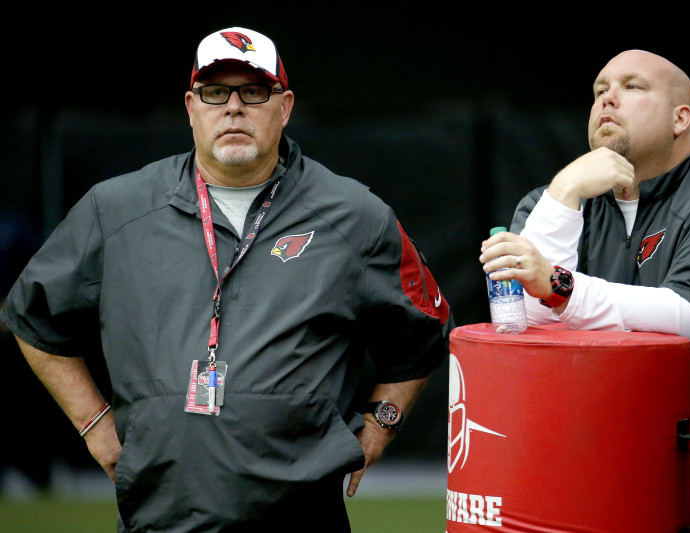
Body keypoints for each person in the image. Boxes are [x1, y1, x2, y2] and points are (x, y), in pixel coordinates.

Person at [0, 27, 453, 532]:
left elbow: (426, 327)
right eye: (216, 92)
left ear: (284, 107)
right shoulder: (116, 209)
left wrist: (380, 425)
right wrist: (93, 423)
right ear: (192, 107)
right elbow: (30, 316)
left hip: (304, 517)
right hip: (161, 516)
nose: (234, 107)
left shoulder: (355, 214)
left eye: (254, 91)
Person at [480, 50, 690, 531]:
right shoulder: (556, 201)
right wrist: (562, 192)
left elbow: (687, 318)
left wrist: (560, 287)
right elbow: (526, 324)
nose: (608, 99)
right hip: (586, 486)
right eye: (600, 90)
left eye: (632, 87)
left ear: (680, 117)